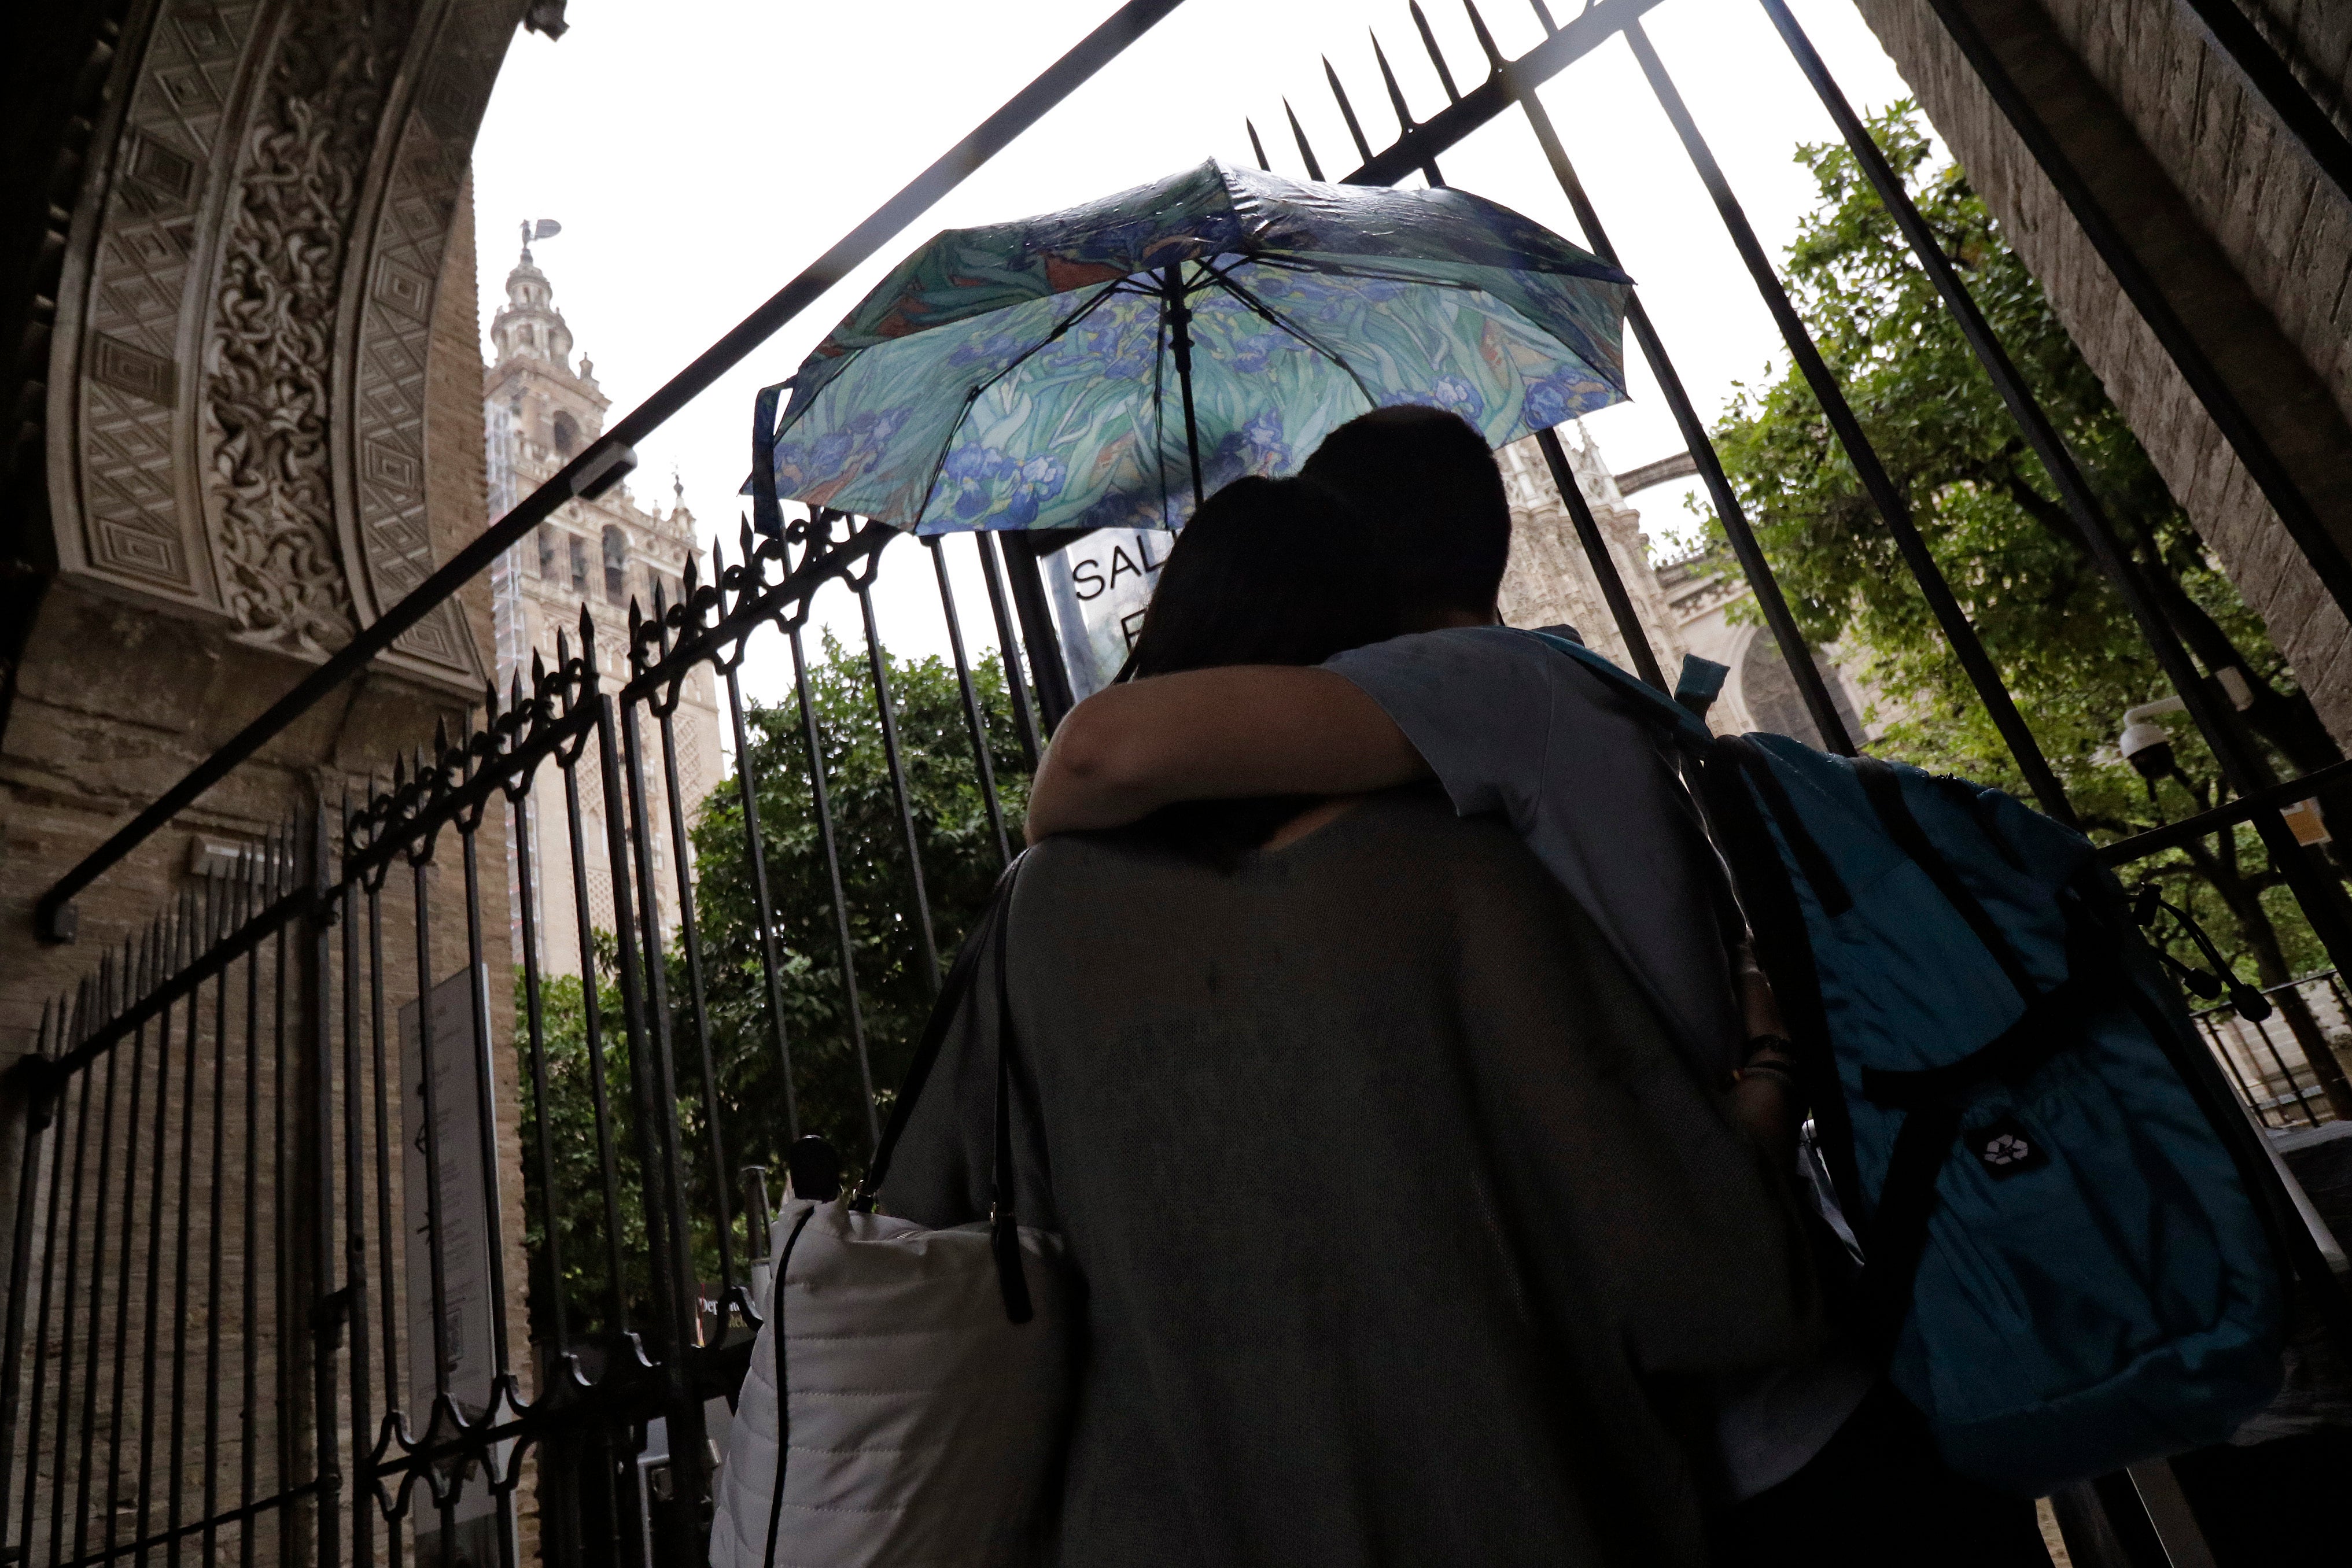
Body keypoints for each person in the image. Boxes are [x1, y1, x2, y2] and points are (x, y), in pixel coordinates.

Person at [1022, 406, 2052, 1567]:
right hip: (1714, 1385)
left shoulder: (1474, 683)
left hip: (1758, 1418)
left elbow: (1095, 756)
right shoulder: (1531, 697)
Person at [879, 473, 1817, 1566]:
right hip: (1497, 1506)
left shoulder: (1037, 918)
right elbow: (1691, 1277)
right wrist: (1768, 1065)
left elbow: (937, 1227)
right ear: (1367, 648)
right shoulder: (1461, 879)